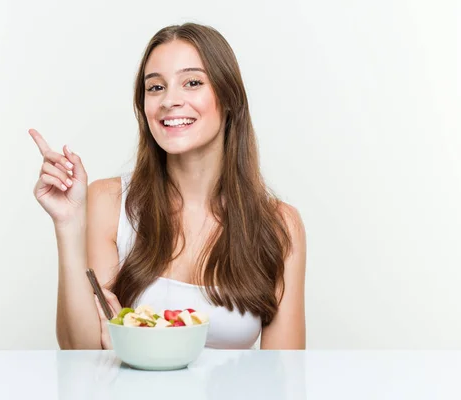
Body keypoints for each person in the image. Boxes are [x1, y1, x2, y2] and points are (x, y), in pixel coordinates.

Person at [29, 22, 306, 350]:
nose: (170, 100)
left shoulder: (279, 226)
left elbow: (282, 377)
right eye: (156, 87)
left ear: (228, 98)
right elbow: (80, 351)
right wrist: (69, 225)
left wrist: (137, 338)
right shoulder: (108, 203)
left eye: (192, 82)